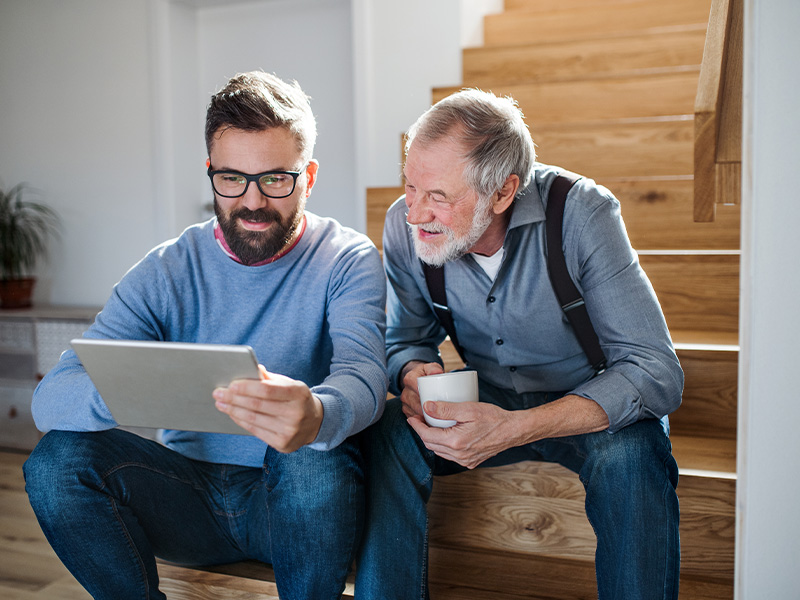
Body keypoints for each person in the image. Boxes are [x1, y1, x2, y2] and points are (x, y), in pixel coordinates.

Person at [24, 70, 388, 600]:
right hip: (184, 499)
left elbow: (364, 374)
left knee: (313, 451)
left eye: (275, 179)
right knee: (56, 463)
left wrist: (316, 412)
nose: (253, 201)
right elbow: (49, 401)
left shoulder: (347, 258)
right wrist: (133, 386)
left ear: (308, 176)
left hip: (294, 503)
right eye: (232, 178)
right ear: (211, 173)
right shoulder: (167, 268)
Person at [355, 89, 683, 600]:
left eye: (438, 196)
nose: (415, 213)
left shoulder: (582, 214)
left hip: (586, 401)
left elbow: (655, 372)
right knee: (387, 430)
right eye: (410, 185)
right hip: (488, 396)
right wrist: (412, 371)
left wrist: (519, 427)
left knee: (633, 456)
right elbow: (405, 337)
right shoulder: (404, 225)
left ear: (504, 193)